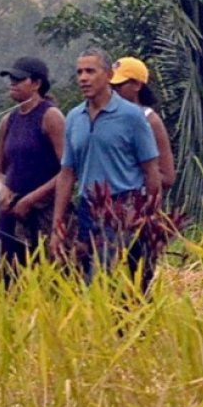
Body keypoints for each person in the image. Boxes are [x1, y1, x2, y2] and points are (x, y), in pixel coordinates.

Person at [49, 47, 161, 290]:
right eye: (79, 72)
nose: (83, 78)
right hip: (88, 208)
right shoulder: (73, 118)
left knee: (110, 281)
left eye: (90, 71)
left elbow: (152, 171)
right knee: (88, 277)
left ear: (108, 76)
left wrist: (150, 218)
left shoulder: (132, 117)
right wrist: (58, 226)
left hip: (125, 207)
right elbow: (67, 173)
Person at [0, 56, 65, 280]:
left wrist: (31, 199)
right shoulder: (8, 121)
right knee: (0, 267)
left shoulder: (50, 116)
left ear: (36, 83)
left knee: (46, 273)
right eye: (11, 79)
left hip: (43, 210)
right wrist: (1, 189)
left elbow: (68, 171)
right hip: (10, 210)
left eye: (19, 79)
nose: (13, 83)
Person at [110, 57, 175, 190]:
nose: (113, 92)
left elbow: (168, 178)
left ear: (137, 85)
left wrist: (128, 173)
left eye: (119, 86)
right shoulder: (103, 119)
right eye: (110, 87)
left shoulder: (150, 120)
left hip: (137, 202)